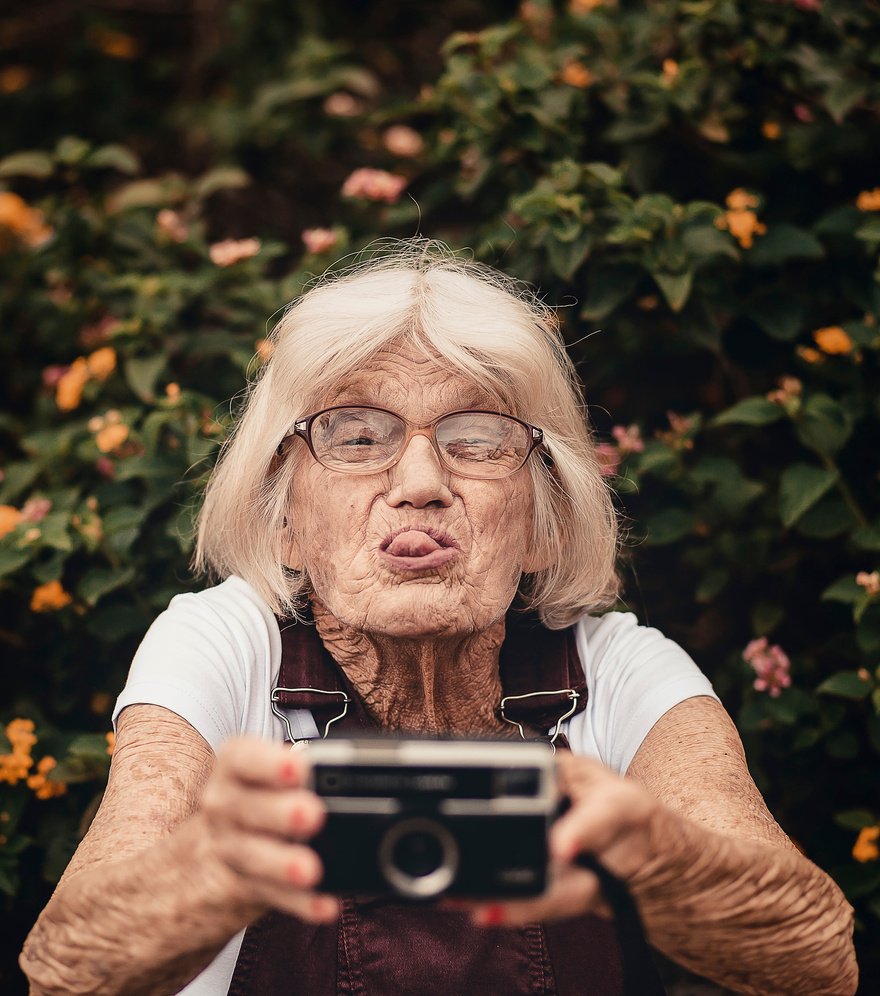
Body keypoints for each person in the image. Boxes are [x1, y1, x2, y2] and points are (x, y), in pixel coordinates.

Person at [21, 242, 857, 996]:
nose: (420, 480)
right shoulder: (221, 643)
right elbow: (66, 970)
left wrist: (658, 856)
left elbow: (821, 963)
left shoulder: (620, 669)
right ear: (283, 515)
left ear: (539, 520)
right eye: (355, 436)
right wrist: (212, 868)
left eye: (478, 438)